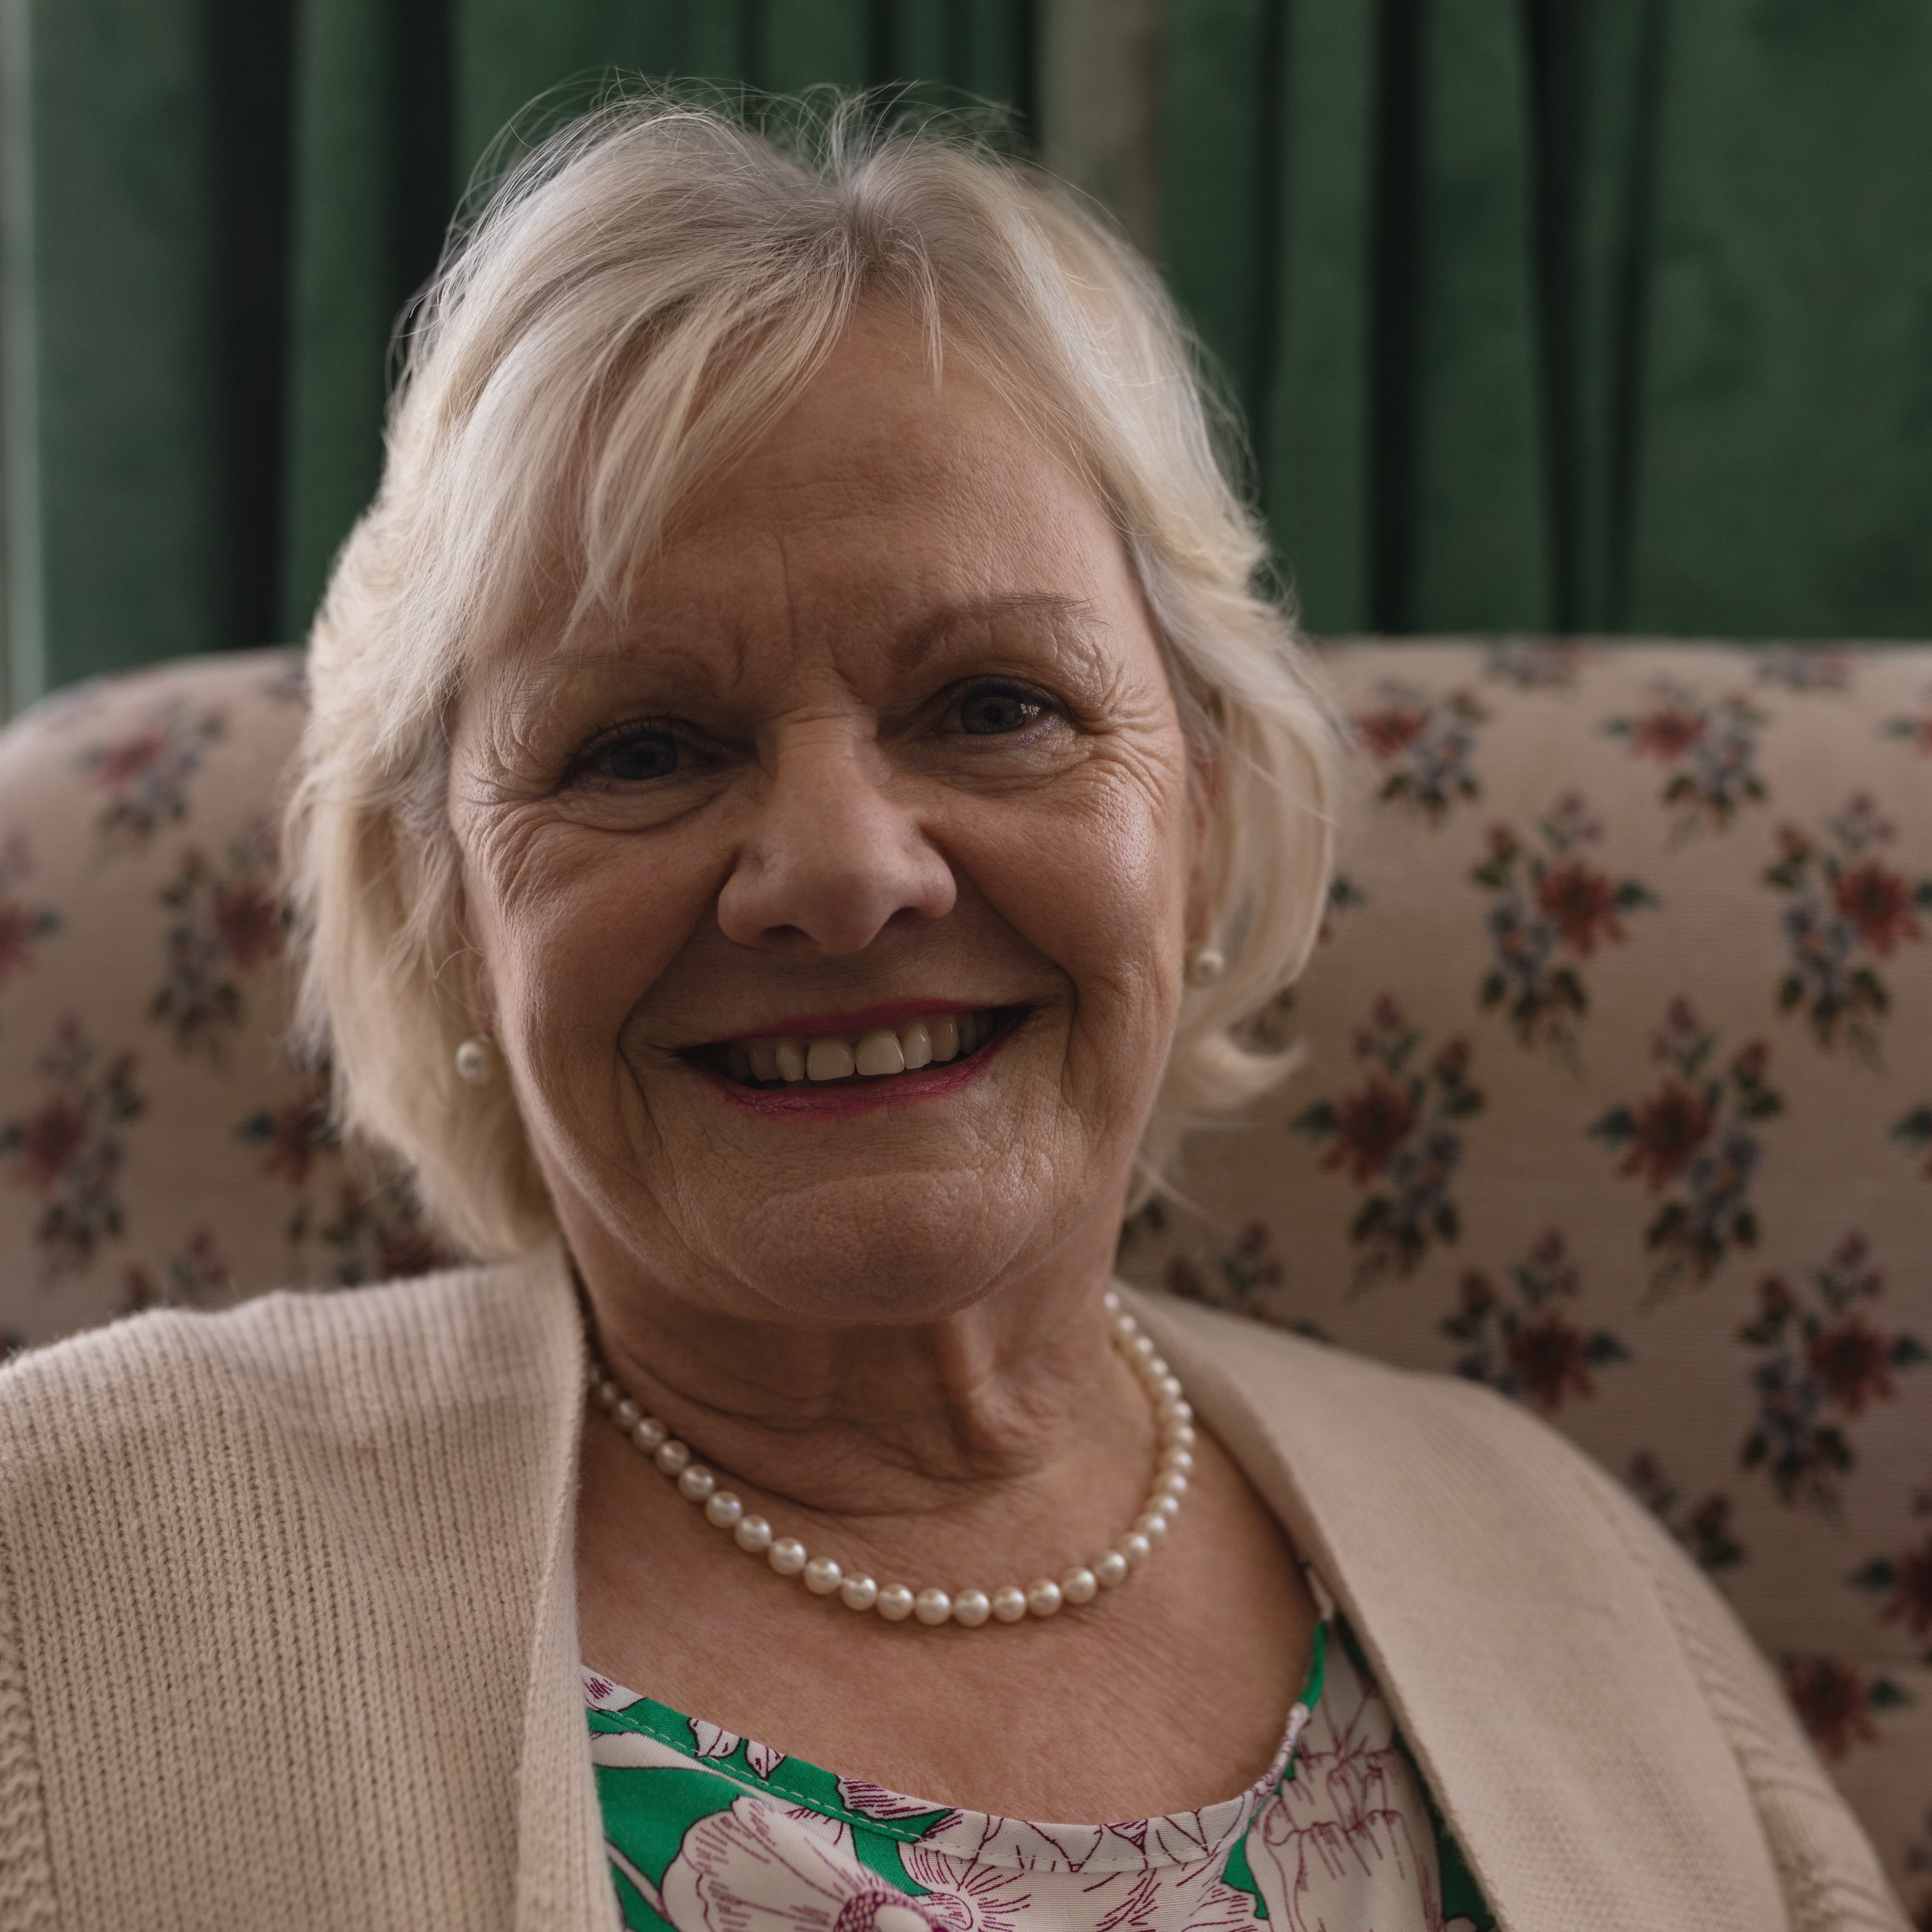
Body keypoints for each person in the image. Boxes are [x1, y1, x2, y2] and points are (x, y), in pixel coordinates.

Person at [0, 97, 1905, 1932]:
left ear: (1200, 805)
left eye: (995, 705)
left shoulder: (1546, 1559)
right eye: (644, 746)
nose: (841, 871)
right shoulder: (65, 1574)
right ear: (441, 907)